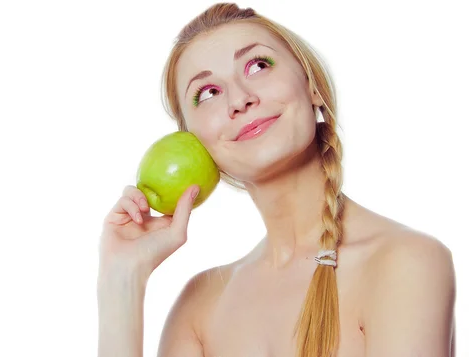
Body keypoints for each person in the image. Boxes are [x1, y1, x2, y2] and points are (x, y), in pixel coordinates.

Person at [97, 3, 456, 357]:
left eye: (257, 65)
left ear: (311, 86)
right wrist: (121, 281)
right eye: (208, 93)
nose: (239, 99)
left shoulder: (405, 263)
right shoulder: (199, 306)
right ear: (191, 142)